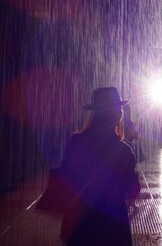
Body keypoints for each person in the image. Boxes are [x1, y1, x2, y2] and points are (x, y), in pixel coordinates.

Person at [59, 87, 140, 246]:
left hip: (81, 226)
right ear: (117, 115)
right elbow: (133, 190)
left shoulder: (76, 144)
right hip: (113, 227)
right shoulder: (123, 151)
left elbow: (65, 178)